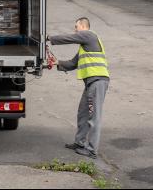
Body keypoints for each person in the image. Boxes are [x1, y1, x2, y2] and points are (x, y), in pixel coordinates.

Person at [47, 17, 110, 159]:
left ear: (83, 26)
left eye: (76, 27)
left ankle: (92, 150)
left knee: (94, 117)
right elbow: (72, 63)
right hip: (91, 83)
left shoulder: (89, 35)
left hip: (98, 81)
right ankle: (79, 143)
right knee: (83, 113)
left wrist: (50, 38)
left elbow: (71, 37)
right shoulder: (84, 47)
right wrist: (57, 62)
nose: (75, 30)